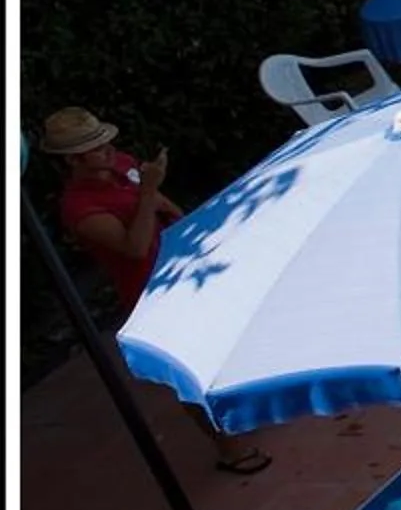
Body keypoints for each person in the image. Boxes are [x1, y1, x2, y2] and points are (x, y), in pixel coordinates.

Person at [42, 107, 271, 475]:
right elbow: (133, 247)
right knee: (190, 372)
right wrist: (148, 191)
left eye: (105, 141)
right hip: (152, 290)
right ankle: (230, 450)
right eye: (95, 147)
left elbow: (162, 206)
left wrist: (191, 231)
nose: (108, 149)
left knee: (228, 341)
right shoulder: (80, 208)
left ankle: (244, 410)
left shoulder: (122, 164)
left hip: (188, 268)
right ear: (72, 160)